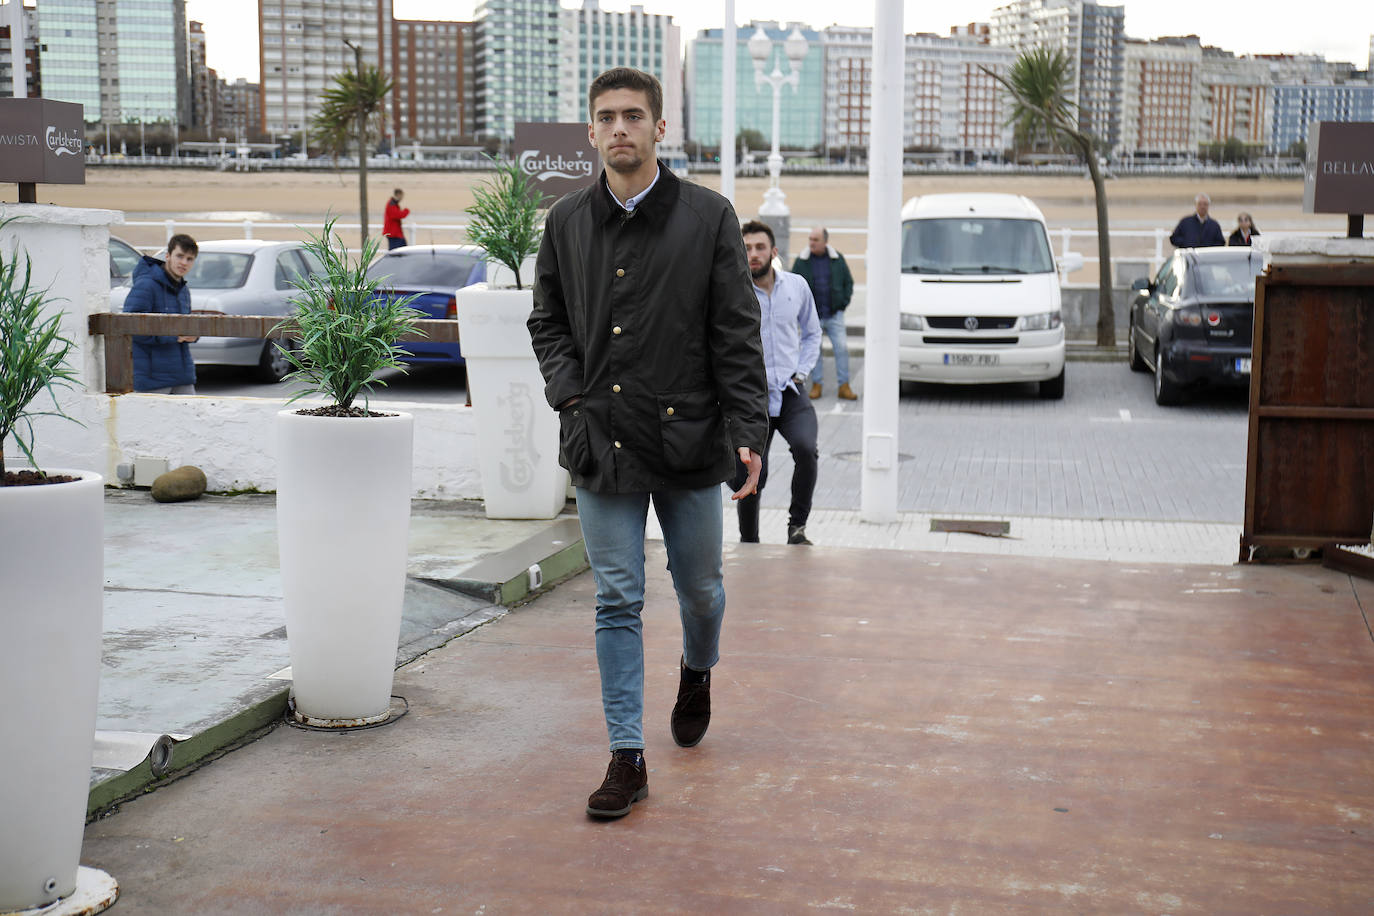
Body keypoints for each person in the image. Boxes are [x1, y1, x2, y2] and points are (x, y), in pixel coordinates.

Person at [526, 67, 768, 821]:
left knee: (700, 588)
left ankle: (698, 666)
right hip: (602, 441)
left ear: (660, 127)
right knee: (617, 597)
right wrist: (570, 396)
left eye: (634, 115)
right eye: (607, 117)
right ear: (591, 131)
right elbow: (548, 323)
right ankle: (626, 756)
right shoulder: (565, 222)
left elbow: (735, 331)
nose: (620, 127)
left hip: (691, 439)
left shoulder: (708, 217)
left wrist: (749, 430)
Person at [732, 220, 822, 548]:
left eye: (759, 247)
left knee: (806, 450)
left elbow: (813, 332)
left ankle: (796, 528)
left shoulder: (797, 286)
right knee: (752, 472)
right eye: (746, 249)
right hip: (752, 398)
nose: (753, 254)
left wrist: (801, 371)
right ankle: (749, 539)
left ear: (773, 251)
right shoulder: (732, 292)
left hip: (789, 390)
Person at [123, 234, 198, 394]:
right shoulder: (146, 285)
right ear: (168, 256)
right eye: (180, 256)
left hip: (182, 376)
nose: (184, 263)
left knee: (193, 417)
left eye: (190, 259)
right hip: (152, 378)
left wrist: (194, 335)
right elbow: (131, 327)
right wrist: (174, 336)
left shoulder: (184, 290)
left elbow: (186, 326)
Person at [792, 226, 856, 401]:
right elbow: (793, 287)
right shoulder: (801, 261)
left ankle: (844, 386)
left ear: (825, 242)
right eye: (810, 239)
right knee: (815, 351)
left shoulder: (837, 259)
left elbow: (848, 283)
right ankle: (816, 385)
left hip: (834, 315)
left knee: (841, 349)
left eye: (815, 240)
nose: (811, 243)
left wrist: (842, 304)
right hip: (812, 317)